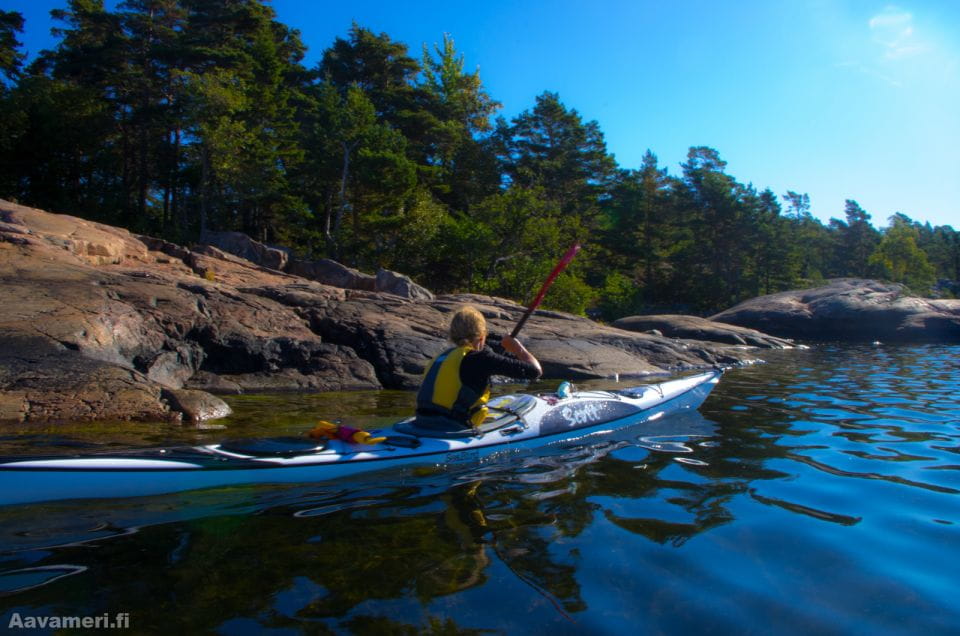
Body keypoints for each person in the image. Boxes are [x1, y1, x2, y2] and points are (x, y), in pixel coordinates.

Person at [416, 305, 542, 431]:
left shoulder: (441, 356)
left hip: (422, 421)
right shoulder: (481, 358)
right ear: (482, 336)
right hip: (453, 426)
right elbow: (535, 371)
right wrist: (517, 348)